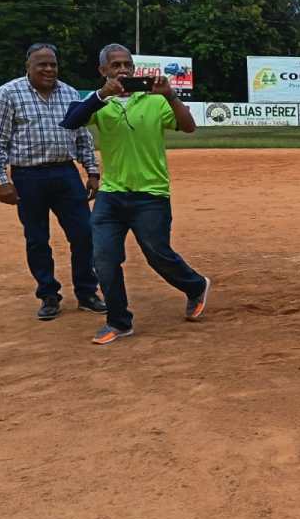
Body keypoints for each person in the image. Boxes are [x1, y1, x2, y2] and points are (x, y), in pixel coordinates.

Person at [60, 43, 210, 345]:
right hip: (111, 194)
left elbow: (189, 126)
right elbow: (70, 121)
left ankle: (194, 286)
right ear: (103, 71)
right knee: (103, 258)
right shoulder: (100, 103)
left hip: (150, 194)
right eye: (115, 66)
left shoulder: (153, 101)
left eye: (127, 64)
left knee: (158, 255)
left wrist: (169, 94)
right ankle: (119, 321)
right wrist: (103, 94)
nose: (124, 70)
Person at [0, 42, 106, 320]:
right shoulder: (9, 94)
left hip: (65, 173)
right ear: (28, 66)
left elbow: (82, 137)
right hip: (28, 177)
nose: (49, 69)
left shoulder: (70, 93)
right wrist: (1, 180)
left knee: (84, 234)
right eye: (42, 64)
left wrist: (92, 171)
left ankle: (86, 292)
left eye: (53, 64)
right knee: (37, 238)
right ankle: (48, 294)